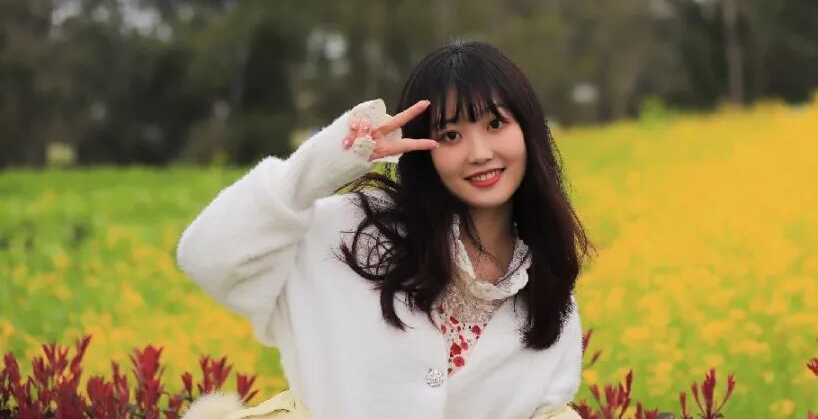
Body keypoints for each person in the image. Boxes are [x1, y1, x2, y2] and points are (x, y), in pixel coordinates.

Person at [177, 41, 592, 419]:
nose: (479, 153)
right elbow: (207, 257)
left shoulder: (547, 291)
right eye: (450, 135)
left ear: (528, 129)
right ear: (422, 148)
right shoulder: (350, 231)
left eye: (495, 124)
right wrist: (324, 162)